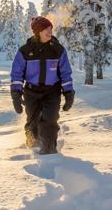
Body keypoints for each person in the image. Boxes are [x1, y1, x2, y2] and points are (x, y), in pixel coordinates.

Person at [10, 16, 75, 154]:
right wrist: (16, 94)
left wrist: (69, 93)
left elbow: (65, 73)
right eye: (46, 28)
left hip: (52, 91)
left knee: (50, 120)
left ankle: (49, 150)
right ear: (38, 31)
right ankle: (32, 148)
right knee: (32, 122)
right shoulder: (25, 51)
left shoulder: (58, 50)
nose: (50, 31)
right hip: (31, 92)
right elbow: (17, 73)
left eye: (51, 28)